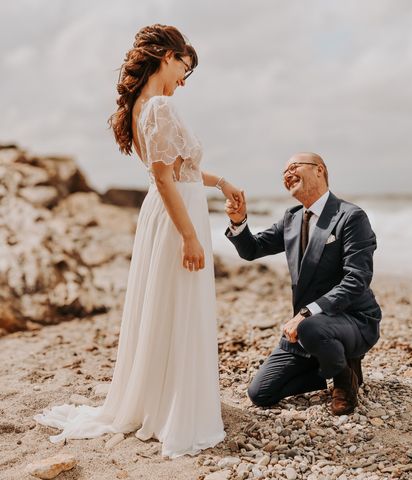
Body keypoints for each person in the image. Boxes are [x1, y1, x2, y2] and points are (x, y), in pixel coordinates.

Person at [34, 24, 240, 458]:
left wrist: (220, 182)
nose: (186, 77)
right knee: (177, 304)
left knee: (166, 305)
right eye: (186, 66)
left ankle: (162, 399)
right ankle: (175, 407)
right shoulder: (160, 107)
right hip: (175, 217)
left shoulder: (142, 107)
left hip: (167, 211)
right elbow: (165, 179)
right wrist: (189, 236)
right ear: (168, 55)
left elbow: (177, 170)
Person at [225, 152, 381, 415]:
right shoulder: (292, 218)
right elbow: (253, 249)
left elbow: (357, 278)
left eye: (294, 167)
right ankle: (327, 364)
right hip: (308, 326)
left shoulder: (351, 216)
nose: (287, 175)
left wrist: (308, 312)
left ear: (319, 170)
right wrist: (239, 221)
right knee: (261, 394)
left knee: (310, 327)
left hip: (352, 319)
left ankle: (345, 378)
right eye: (283, 172)